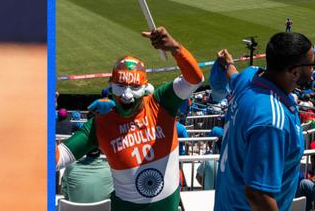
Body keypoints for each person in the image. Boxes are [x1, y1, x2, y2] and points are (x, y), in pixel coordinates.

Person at [55, 26, 204, 210]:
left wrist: (175, 48)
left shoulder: (161, 102)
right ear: (110, 87)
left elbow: (194, 79)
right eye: (120, 86)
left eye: (134, 87)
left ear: (146, 88)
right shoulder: (100, 125)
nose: (127, 96)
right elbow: (56, 159)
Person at [214, 32, 315, 211]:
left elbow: (234, 77)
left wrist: (228, 63)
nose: (314, 69)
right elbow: (257, 195)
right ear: (294, 71)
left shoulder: (250, 76)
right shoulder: (272, 122)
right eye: (311, 64)